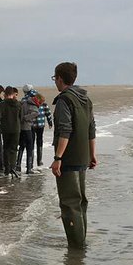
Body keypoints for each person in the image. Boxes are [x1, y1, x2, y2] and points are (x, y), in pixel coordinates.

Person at [50, 62, 97, 250]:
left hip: (69, 158)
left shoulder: (65, 100)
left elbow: (65, 130)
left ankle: (77, 248)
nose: (55, 82)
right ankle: (81, 242)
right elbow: (91, 129)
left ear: (60, 78)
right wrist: (92, 154)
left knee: (70, 203)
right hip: (83, 156)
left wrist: (58, 158)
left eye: (55, 78)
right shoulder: (85, 99)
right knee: (80, 202)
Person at [0, 87, 22, 179]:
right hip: (16, 128)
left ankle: (7, 169)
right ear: (13, 94)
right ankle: (13, 167)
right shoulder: (18, 104)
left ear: (5, 94)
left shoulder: (2, 104)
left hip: (6, 128)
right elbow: (21, 116)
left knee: (6, 148)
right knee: (14, 149)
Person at [19, 85, 40, 174]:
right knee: (29, 147)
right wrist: (26, 118)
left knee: (21, 146)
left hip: (21, 127)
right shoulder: (32, 101)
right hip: (28, 127)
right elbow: (36, 113)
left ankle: (18, 165)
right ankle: (29, 168)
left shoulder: (23, 101)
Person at [32, 89, 53, 167]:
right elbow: (48, 113)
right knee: (34, 142)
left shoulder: (43, 104)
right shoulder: (33, 104)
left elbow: (48, 113)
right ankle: (34, 161)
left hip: (39, 125)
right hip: (34, 125)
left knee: (39, 141)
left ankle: (39, 160)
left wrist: (50, 122)